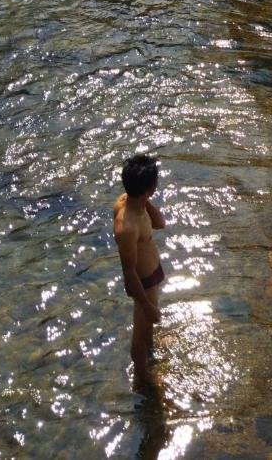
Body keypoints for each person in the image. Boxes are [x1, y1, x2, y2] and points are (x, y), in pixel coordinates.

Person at [114, 153, 166, 387]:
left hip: (152, 274)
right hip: (143, 281)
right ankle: (141, 376)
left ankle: (151, 350)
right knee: (141, 328)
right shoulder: (127, 227)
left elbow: (160, 224)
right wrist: (146, 305)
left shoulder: (137, 202)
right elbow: (129, 273)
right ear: (150, 188)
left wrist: (147, 200)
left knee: (147, 328)